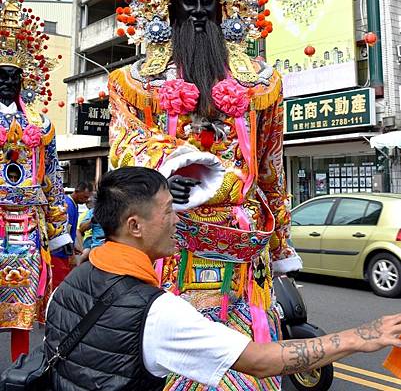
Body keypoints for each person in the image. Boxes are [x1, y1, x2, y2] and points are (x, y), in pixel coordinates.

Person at [98, 0, 300, 388]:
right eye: (184, 0)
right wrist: (192, 165)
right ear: (164, 8)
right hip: (168, 251)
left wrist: (279, 245)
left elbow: (273, 169)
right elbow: (122, 158)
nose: (196, 11)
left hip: (242, 250)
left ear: (225, 5)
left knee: (249, 368)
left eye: (208, 0)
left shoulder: (260, 83)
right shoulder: (133, 84)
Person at [44, 166, 401, 390]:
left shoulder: (68, 286)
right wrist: (362, 336)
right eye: (169, 211)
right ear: (134, 225)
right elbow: (261, 362)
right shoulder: (158, 312)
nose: (177, 221)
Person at [0, 0, 71, 361]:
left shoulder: (41, 126)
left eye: (14, 77)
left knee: (23, 309)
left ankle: (19, 366)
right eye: (1, 76)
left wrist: (60, 232)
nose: (7, 83)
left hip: (28, 224)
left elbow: (53, 179)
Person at [51, 182, 93, 286]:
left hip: (65, 250)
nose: (86, 200)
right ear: (77, 192)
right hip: (60, 251)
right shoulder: (68, 205)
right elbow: (66, 231)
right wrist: (72, 254)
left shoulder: (74, 204)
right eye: (84, 196)